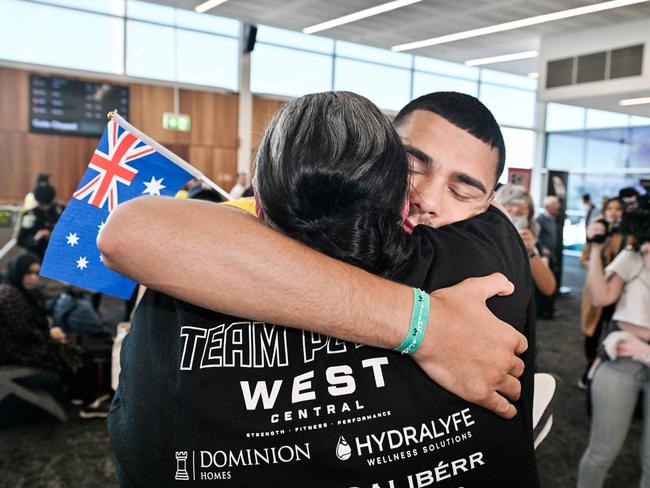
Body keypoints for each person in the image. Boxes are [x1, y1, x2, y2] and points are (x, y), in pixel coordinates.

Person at [101, 91, 537, 486]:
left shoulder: (484, 253)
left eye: (462, 191)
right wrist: (427, 325)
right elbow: (134, 234)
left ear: (490, 203)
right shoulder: (227, 245)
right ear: (379, 155)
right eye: (410, 165)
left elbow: (139, 234)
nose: (425, 196)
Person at [576, 222, 650, 488]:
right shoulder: (633, 256)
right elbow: (599, 297)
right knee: (601, 452)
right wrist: (596, 248)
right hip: (622, 358)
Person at [0, 253, 108, 418]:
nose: (33, 278)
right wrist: (49, 335)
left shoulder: (17, 290)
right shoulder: (9, 295)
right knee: (65, 349)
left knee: (72, 342)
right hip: (13, 350)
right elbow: (23, 331)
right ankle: (89, 403)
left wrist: (50, 333)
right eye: (29, 273)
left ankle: (79, 392)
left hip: (18, 344)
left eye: (36, 273)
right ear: (18, 272)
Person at [578, 197, 628, 389]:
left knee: (614, 331)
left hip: (619, 294)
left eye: (618, 208)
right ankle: (590, 364)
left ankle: (606, 370)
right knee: (592, 332)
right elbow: (584, 258)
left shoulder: (630, 235)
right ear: (604, 211)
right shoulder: (597, 230)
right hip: (594, 292)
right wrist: (599, 269)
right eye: (611, 208)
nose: (614, 212)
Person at [496, 184, 556, 298]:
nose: (516, 209)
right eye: (510, 204)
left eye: (523, 207)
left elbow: (549, 288)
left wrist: (530, 251)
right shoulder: (486, 239)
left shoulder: (533, 243)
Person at [17, 179, 64, 260]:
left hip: (56, 256)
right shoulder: (29, 215)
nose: (45, 208)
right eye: (42, 205)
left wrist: (52, 235)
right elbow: (20, 240)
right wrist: (35, 238)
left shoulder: (61, 212)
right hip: (35, 256)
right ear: (37, 201)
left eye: (48, 204)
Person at [535, 195, 562, 319]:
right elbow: (535, 237)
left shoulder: (552, 218)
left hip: (552, 256)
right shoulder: (539, 219)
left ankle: (549, 309)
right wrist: (542, 248)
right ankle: (544, 310)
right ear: (548, 206)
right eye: (556, 205)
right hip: (543, 258)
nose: (559, 207)